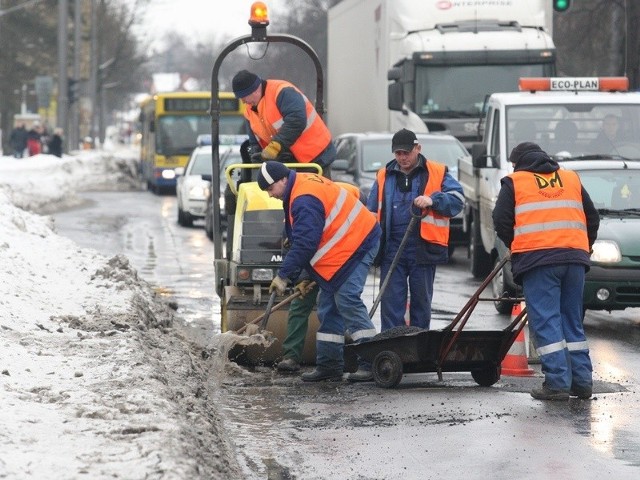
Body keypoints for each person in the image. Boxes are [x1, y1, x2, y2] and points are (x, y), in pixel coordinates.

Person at [492, 142, 600, 401]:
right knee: (571, 320)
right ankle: (582, 382)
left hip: (538, 260)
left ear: (517, 163)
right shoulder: (570, 178)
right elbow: (592, 218)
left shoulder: (515, 182)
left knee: (546, 321)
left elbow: (500, 220)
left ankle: (558, 383)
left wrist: (515, 245)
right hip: (574, 259)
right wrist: (584, 247)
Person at [258, 161, 381, 382]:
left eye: (270, 189)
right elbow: (308, 239)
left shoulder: (303, 198)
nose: (270, 195)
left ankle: (371, 361)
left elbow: (306, 244)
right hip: (343, 248)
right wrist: (305, 277)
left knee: (347, 299)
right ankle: (330, 365)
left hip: (359, 242)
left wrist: (283, 276)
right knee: (327, 305)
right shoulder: (299, 187)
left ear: (282, 180)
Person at [366, 128, 464, 332]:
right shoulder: (384, 175)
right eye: (398, 153)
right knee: (391, 305)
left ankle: (418, 351)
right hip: (391, 249)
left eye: (406, 152)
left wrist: (433, 200)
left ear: (418, 148)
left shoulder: (436, 172)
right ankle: (391, 352)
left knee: (421, 305)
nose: (402, 157)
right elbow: (372, 212)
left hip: (423, 249)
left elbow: (458, 200)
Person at [276, 181, 365, 373]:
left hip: (342, 259)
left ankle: (356, 357)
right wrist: (302, 279)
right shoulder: (301, 209)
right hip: (318, 261)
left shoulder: (349, 206)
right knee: (300, 303)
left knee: (344, 302)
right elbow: (301, 248)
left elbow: (329, 245)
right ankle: (291, 356)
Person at [231, 70, 336, 175]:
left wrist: (275, 147)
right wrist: (257, 158)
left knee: (317, 190)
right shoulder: (249, 111)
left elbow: (296, 120)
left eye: (244, 97)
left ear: (254, 90)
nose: (243, 102)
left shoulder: (282, 92)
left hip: (316, 155)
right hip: (291, 163)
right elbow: (255, 142)